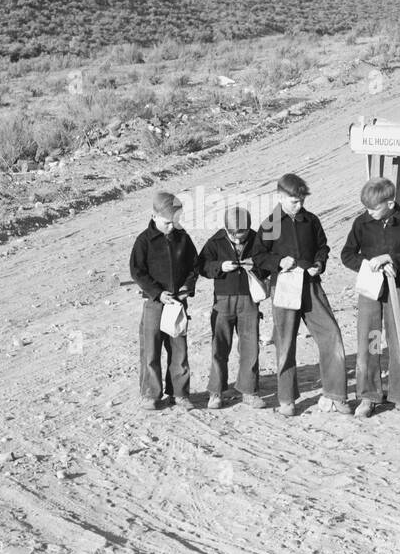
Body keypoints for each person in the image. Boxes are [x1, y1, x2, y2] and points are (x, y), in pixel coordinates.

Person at [255, 173, 349, 416]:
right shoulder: (270, 224)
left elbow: (322, 247)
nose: (299, 205)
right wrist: (278, 262)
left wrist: (319, 263)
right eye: (294, 201)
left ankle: (336, 393)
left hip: (310, 283)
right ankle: (287, 399)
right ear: (280, 197)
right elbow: (258, 258)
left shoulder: (311, 220)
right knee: (285, 343)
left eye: (302, 200)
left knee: (332, 334)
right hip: (284, 286)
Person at [340, 176, 400, 418]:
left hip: (397, 290)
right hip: (370, 291)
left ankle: (399, 396)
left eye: (373, 208)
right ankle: (369, 396)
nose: (369, 212)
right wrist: (367, 264)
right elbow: (347, 254)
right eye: (366, 208)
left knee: (397, 342)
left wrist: (392, 259)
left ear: (390, 202)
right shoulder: (362, 223)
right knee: (371, 341)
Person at [129, 190, 198, 410]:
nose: (172, 226)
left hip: (177, 304)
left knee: (179, 350)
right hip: (155, 303)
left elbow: (194, 266)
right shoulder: (144, 241)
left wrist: (188, 285)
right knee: (151, 349)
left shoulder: (183, 238)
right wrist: (157, 293)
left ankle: (180, 393)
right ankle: (151, 394)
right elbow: (137, 271)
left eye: (176, 221)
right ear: (154, 216)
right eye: (168, 222)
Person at [196, 206, 266, 410]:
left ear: (249, 227)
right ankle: (216, 392)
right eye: (233, 234)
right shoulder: (215, 241)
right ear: (226, 229)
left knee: (250, 345)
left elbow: (269, 264)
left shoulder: (258, 240)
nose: (237, 238)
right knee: (220, 346)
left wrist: (256, 266)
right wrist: (219, 267)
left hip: (249, 300)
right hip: (223, 300)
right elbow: (201, 266)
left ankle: (249, 390)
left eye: (242, 234)